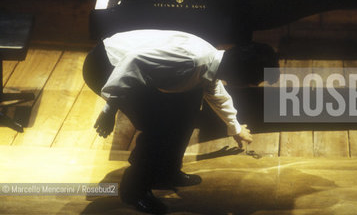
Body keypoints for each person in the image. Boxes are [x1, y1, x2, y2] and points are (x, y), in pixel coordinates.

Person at [82, 29, 279, 214]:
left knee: (187, 111)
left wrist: (235, 128)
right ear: (240, 76)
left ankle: (166, 172)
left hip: (132, 69)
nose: (250, 86)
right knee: (158, 127)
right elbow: (131, 62)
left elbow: (216, 94)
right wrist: (109, 110)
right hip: (106, 66)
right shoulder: (191, 61)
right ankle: (133, 190)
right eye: (253, 83)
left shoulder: (210, 63)